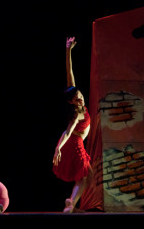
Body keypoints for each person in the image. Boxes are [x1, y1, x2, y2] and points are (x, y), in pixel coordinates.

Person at [52, 36, 93, 213]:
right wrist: (58, 148)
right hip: (75, 144)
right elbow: (68, 132)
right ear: (71, 102)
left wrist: (68, 49)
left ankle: (71, 205)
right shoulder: (76, 113)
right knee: (85, 176)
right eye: (77, 98)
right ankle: (71, 202)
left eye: (81, 95)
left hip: (74, 144)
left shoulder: (74, 95)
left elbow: (70, 73)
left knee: (88, 176)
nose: (81, 98)